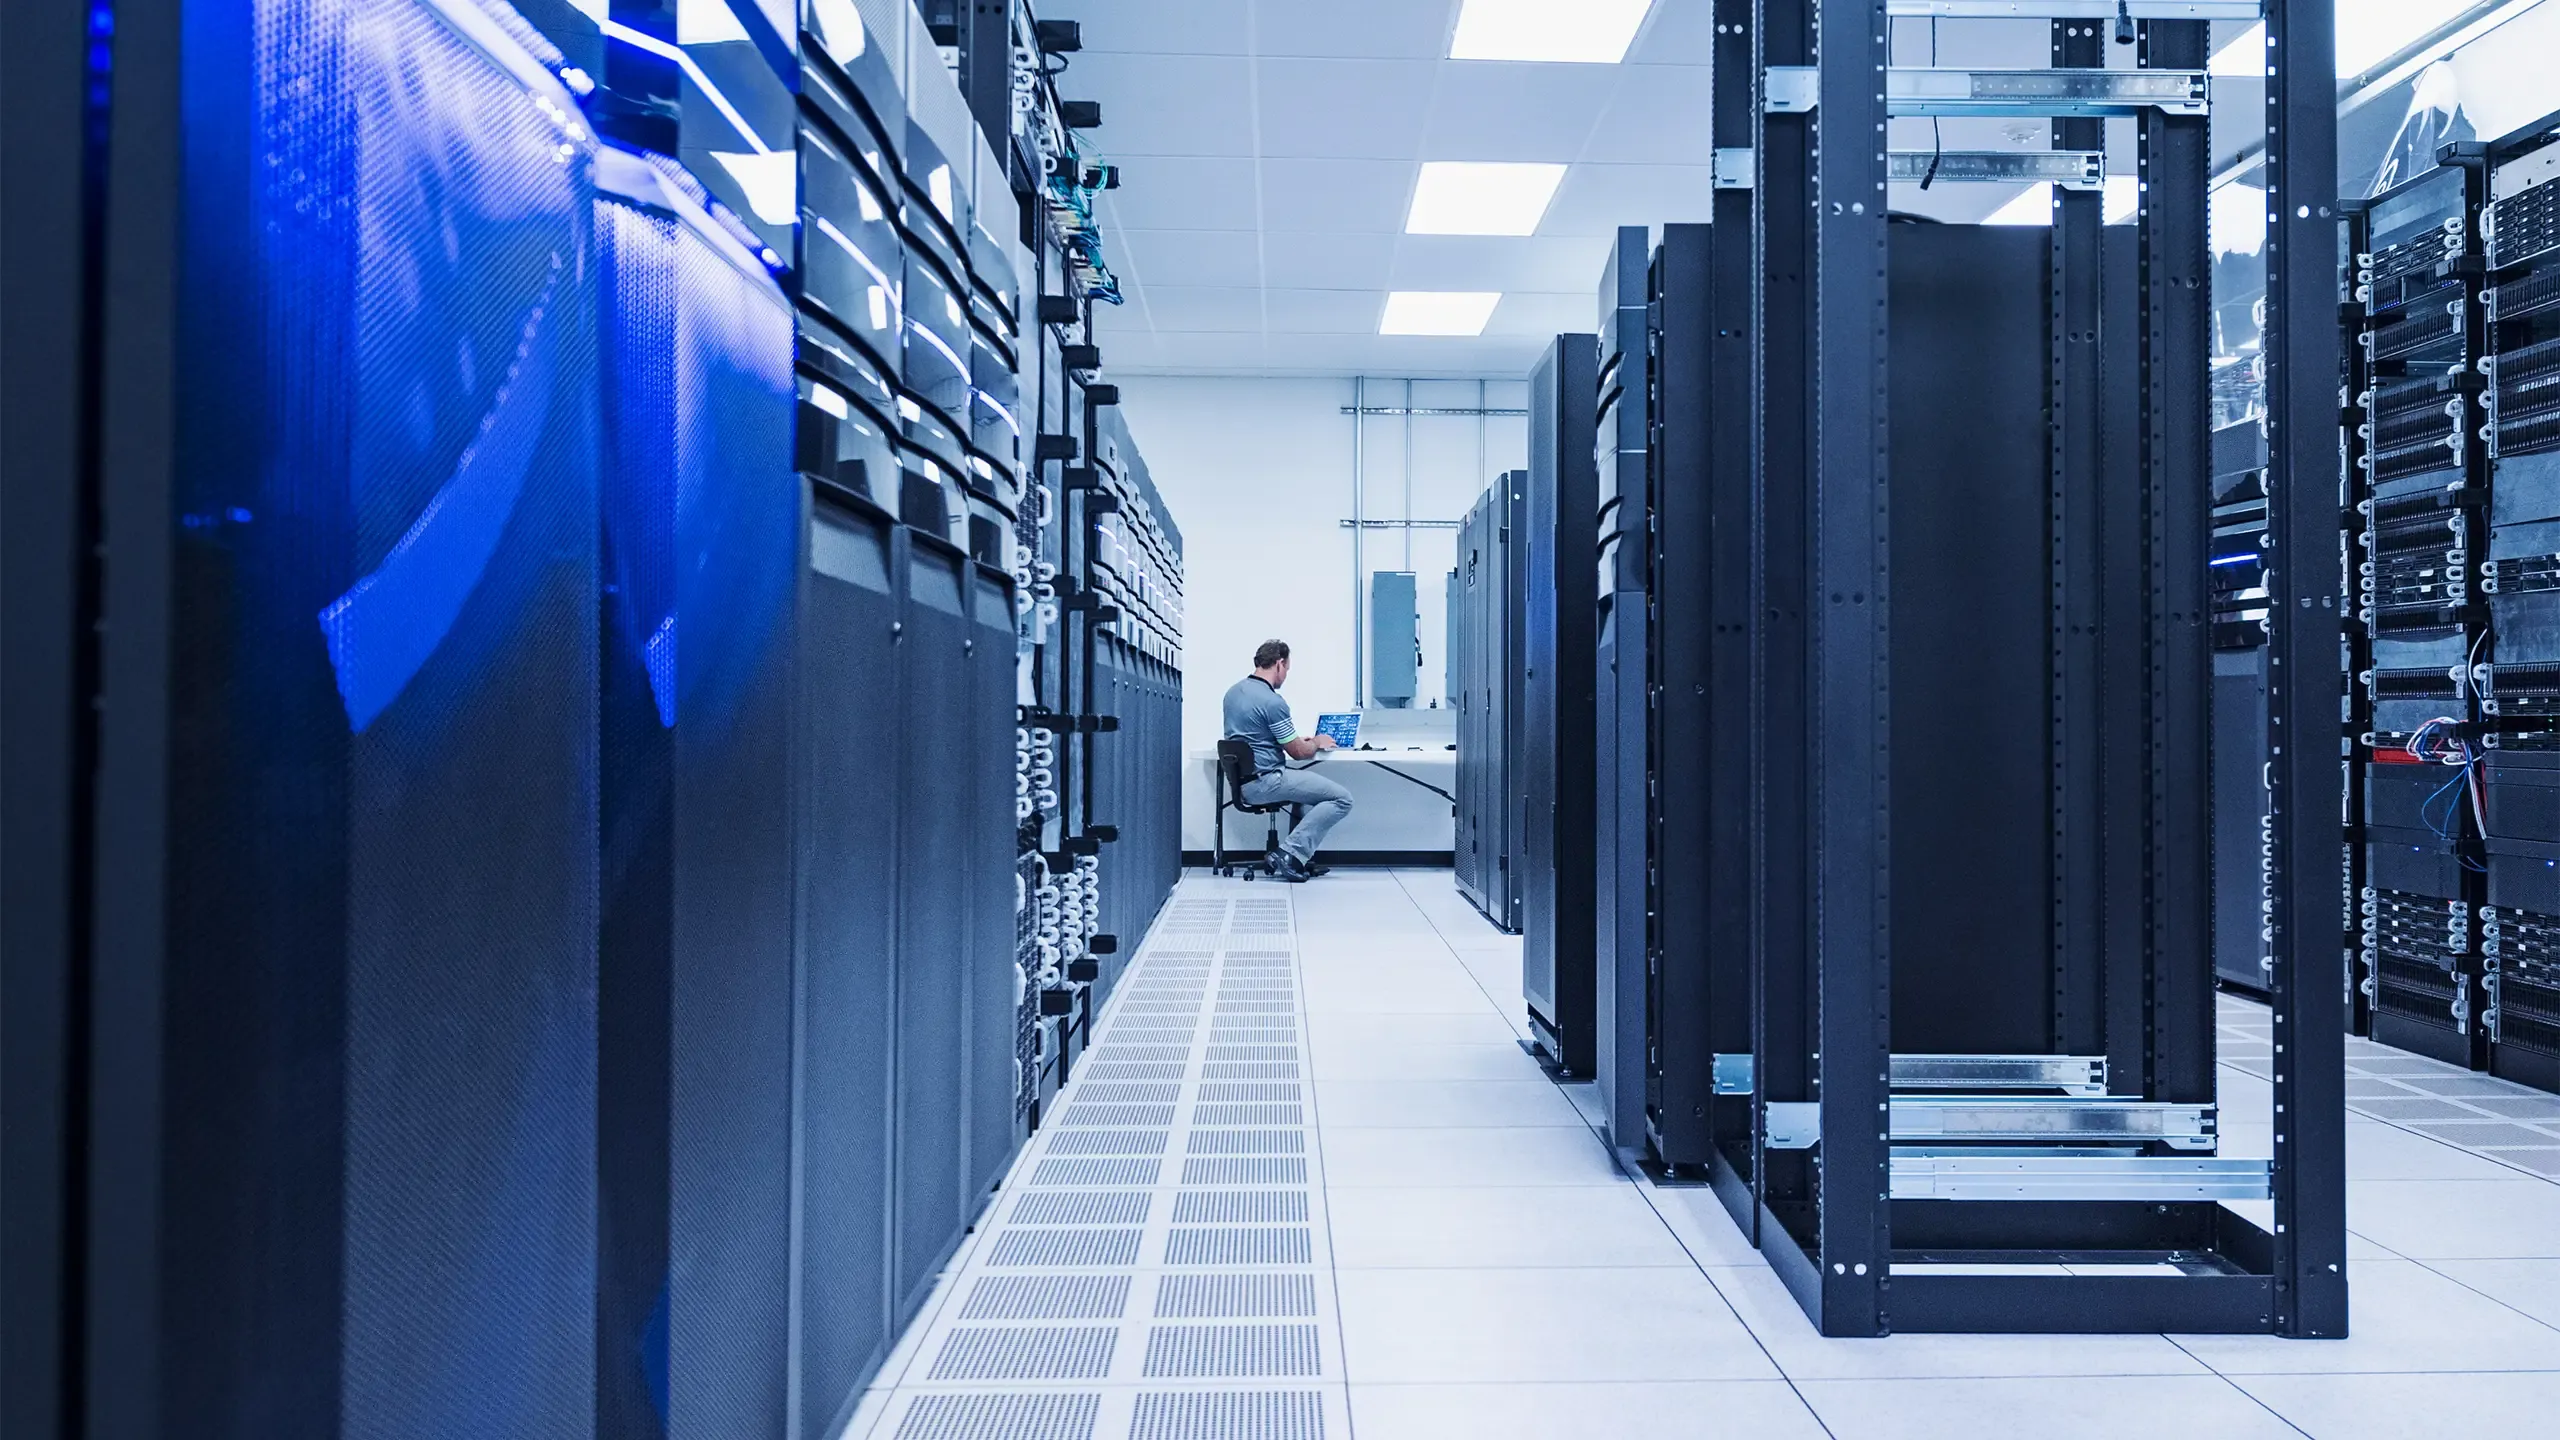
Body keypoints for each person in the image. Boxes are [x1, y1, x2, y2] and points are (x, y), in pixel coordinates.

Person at [1221, 639, 1353, 882]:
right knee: (1341, 798)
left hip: (1244, 781)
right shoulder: (1273, 702)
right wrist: (1316, 742)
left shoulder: (1233, 693)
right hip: (1267, 780)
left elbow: (1255, 736)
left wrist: (1297, 740)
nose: (1286, 676)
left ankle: (1298, 857)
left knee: (1305, 795)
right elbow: (1299, 753)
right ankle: (1290, 854)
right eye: (1287, 669)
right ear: (1280, 663)